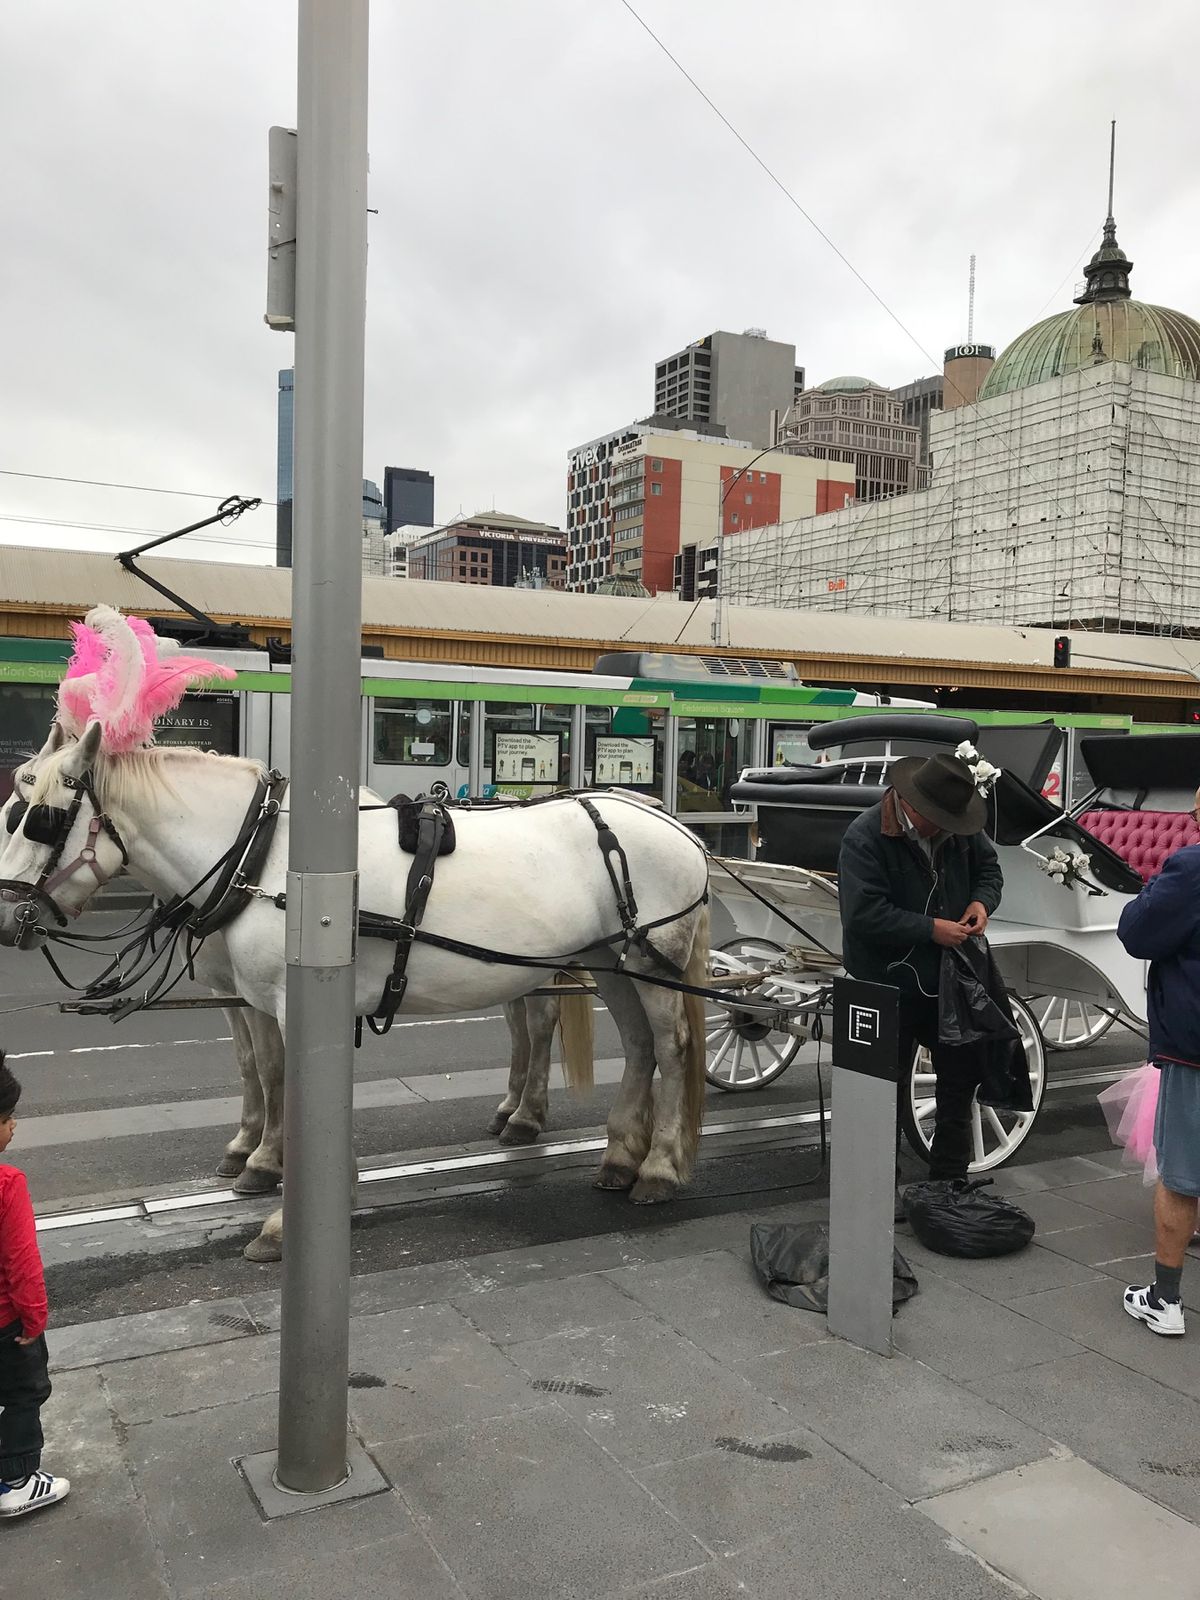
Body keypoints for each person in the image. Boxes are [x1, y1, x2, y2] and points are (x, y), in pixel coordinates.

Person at [838, 750, 1003, 1191]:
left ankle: (948, 1179)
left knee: (961, 1074)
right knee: (882, 1088)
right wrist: (931, 929)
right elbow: (863, 915)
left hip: (950, 978)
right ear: (914, 807)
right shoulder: (866, 835)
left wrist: (981, 902)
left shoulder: (959, 829)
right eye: (942, 820)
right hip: (886, 980)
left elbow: (989, 870)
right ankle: (877, 1187)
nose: (951, 829)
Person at [1116, 792, 1200, 1337]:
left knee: (1181, 1176)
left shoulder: (1191, 868)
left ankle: (1164, 1299)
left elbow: (1136, 932)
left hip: (1195, 1043)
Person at [0, 1056, 69, 1515]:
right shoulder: (7, 1183)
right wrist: (35, 1315)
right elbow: (22, 1261)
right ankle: (16, 1481)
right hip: (7, 1324)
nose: (14, 1127)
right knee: (23, 1395)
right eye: (6, 1118)